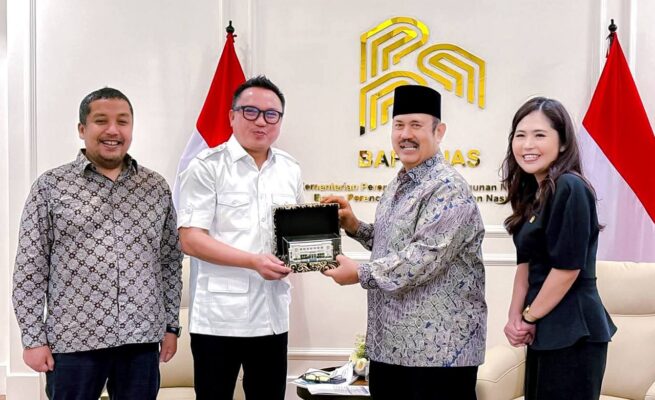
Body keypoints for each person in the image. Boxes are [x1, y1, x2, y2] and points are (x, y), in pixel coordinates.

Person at [12, 87, 183, 400]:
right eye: (101, 121)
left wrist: (171, 326)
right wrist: (33, 338)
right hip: (74, 341)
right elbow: (30, 268)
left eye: (123, 121)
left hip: (141, 339)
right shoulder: (51, 187)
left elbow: (170, 261)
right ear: (82, 129)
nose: (113, 130)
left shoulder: (155, 187)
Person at [323, 85, 487, 400]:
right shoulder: (398, 184)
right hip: (390, 348)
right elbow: (395, 245)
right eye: (399, 125)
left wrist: (360, 273)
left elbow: (424, 256)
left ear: (439, 131)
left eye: (416, 125)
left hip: (439, 354)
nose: (405, 134)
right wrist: (354, 226)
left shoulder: (448, 187)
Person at [176, 75, 303, 400]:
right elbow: (190, 239)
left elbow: (295, 236)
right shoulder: (207, 167)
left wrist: (319, 241)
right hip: (219, 319)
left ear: (280, 120)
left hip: (272, 316)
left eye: (271, 114)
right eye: (250, 111)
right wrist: (253, 261)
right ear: (232, 116)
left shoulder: (290, 169)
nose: (261, 121)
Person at [501, 97, 617, 399]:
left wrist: (528, 317)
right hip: (545, 326)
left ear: (563, 143)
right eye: (520, 135)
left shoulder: (570, 187)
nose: (528, 145)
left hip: (573, 329)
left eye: (539, 135)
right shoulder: (533, 194)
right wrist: (514, 318)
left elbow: (567, 270)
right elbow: (525, 265)